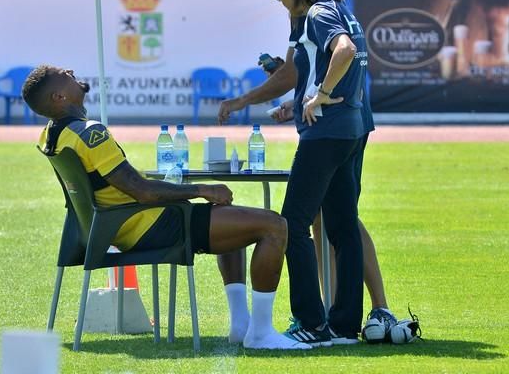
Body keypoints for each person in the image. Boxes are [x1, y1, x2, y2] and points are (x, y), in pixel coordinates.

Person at [21, 65, 310, 350]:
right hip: (151, 225)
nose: (72, 71)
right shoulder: (90, 134)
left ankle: (240, 324)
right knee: (274, 225)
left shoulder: (50, 135)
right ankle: (260, 333)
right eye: (65, 75)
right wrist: (201, 190)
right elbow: (142, 191)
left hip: (121, 226)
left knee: (235, 217)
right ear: (59, 97)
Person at [221, 0, 397, 343]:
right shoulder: (336, 8)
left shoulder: (316, 12)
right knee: (341, 226)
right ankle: (344, 326)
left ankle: (312, 325)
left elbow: (345, 51)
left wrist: (318, 95)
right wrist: (301, 100)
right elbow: (322, 60)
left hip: (326, 134)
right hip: (350, 130)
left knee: (292, 226)